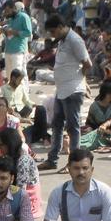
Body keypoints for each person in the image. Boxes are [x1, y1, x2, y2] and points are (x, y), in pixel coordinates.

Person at [39, 14, 91, 171]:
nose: (52, 35)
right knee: (57, 125)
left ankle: (75, 163)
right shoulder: (63, 40)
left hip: (73, 90)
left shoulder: (75, 40)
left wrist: (80, 79)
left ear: (61, 27)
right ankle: (52, 159)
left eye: (53, 32)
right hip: (62, 90)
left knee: (73, 127)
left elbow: (87, 63)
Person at [2, 0, 34, 77]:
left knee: (17, 74)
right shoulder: (11, 19)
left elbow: (28, 33)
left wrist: (14, 32)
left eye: (7, 10)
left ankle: (23, 89)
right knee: (9, 75)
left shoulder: (23, 17)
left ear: (13, 8)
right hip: (8, 50)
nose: (6, 13)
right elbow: (8, 31)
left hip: (18, 50)